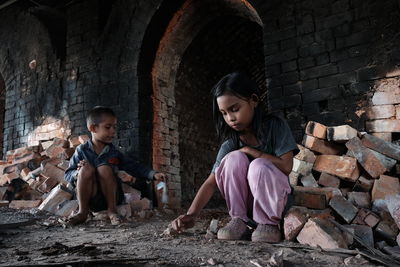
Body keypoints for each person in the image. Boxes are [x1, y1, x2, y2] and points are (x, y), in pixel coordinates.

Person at [171, 72, 298, 242]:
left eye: (235, 109)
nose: (230, 118)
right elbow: (211, 182)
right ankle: (238, 220)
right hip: (248, 211)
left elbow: (286, 166)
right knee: (233, 159)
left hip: (277, 205)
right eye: (224, 113)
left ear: (253, 100)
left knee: (258, 165)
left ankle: (268, 224)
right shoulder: (231, 143)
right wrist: (191, 214)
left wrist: (253, 152)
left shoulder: (275, 126)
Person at [64, 106, 166, 225]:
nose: (113, 131)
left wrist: (153, 174)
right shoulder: (81, 151)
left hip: (112, 197)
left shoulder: (114, 153)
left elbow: (134, 166)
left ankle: (112, 211)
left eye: (114, 127)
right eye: (108, 127)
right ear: (93, 128)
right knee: (85, 169)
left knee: (104, 168)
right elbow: (67, 174)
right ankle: (82, 213)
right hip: (90, 198)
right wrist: (78, 172)